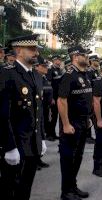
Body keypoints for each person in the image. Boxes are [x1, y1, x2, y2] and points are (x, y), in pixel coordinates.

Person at [0, 34, 47, 200]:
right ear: (19, 50)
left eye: (36, 49)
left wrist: (41, 137)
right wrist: (9, 147)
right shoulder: (7, 74)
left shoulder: (36, 75)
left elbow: (37, 110)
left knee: (26, 187)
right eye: (31, 49)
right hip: (16, 144)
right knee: (9, 189)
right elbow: (2, 114)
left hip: (32, 144)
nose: (36, 53)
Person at [57, 45, 92, 200]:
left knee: (78, 156)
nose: (88, 57)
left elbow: (84, 99)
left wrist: (88, 118)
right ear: (76, 57)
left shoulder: (84, 74)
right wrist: (65, 124)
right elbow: (61, 101)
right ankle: (66, 192)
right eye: (85, 55)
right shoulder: (69, 75)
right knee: (68, 158)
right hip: (72, 124)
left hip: (83, 122)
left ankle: (73, 186)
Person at [34, 56, 52, 170]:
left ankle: (38, 159)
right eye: (44, 66)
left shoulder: (41, 77)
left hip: (42, 109)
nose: (46, 68)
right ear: (37, 67)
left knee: (40, 133)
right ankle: (33, 161)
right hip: (35, 111)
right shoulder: (34, 77)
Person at [47, 54, 65, 141]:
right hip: (53, 96)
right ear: (54, 60)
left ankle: (53, 133)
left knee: (57, 116)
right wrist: (51, 98)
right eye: (58, 59)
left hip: (59, 97)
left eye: (60, 60)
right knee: (52, 116)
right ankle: (50, 134)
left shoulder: (60, 70)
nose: (60, 61)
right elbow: (49, 85)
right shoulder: (50, 70)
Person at [85, 55, 101, 144]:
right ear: (91, 61)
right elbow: (89, 86)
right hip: (91, 97)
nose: (98, 62)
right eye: (97, 60)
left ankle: (92, 135)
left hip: (97, 97)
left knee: (94, 117)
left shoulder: (97, 71)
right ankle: (87, 136)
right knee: (90, 117)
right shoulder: (89, 72)